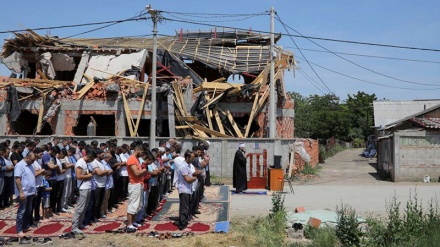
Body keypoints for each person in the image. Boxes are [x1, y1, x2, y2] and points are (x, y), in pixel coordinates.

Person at [71, 152, 94, 237]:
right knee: (80, 208)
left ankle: (80, 224)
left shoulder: (85, 163)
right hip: (82, 188)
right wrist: (90, 175)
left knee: (84, 207)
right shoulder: (80, 162)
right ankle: (74, 226)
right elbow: (79, 176)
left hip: (87, 186)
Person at [15, 152, 37, 244]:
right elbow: (17, 179)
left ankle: (26, 226)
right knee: (21, 211)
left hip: (30, 192)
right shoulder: (19, 165)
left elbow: (32, 177)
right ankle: (19, 229)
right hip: (24, 193)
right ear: (27, 158)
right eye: (32, 160)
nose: (33, 162)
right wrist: (21, 192)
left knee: (28, 210)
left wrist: (34, 190)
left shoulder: (30, 165)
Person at [126, 145, 147, 232]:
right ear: (138, 150)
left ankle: (133, 221)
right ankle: (129, 224)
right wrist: (144, 170)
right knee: (133, 204)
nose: (142, 154)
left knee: (138, 205)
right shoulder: (132, 159)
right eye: (142, 152)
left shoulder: (136, 159)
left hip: (139, 184)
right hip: (134, 184)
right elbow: (136, 173)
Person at [176, 150, 198, 230]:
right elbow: (188, 179)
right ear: (187, 157)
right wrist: (195, 178)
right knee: (184, 207)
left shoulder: (188, 165)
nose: (193, 159)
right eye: (192, 158)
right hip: (184, 189)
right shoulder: (183, 166)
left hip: (188, 189)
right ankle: (182, 224)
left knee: (187, 206)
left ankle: (184, 221)